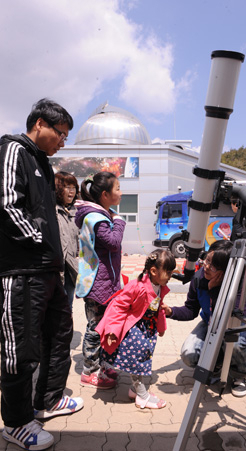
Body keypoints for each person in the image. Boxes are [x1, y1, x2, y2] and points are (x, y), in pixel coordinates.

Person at [0, 98, 84, 450]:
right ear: (38, 124)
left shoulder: (43, 165)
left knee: (59, 336)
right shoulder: (13, 151)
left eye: (66, 135)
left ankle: (47, 400)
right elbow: (5, 203)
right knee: (21, 349)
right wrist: (38, 240)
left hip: (49, 272)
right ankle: (17, 423)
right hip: (22, 271)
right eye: (60, 133)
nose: (63, 141)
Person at [161, 240, 246, 398]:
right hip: (211, 322)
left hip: (240, 324)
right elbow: (191, 309)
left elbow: (232, 315)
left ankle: (241, 374)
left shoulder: (244, 281)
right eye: (206, 260)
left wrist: (214, 290)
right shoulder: (199, 277)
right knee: (189, 354)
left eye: (213, 266)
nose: (206, 267)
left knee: (234, 343)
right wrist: (170, 311)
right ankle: (218, 363)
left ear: (227, 269)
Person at [96, 249, 176, 409]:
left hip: (147, 330)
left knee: (143, 360)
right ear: (153, 271)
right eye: (168, 272)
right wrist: (112, 330)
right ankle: (142, 396)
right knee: (138, 363)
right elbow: (118, 306)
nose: (170, 276)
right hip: (134, 331)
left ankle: (135, 389)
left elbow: (158, 307)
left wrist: (161, 327)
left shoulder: (159, 285)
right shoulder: (137, 286)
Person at [75, 171, 126, 390]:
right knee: (96, 329)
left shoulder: (103, 214)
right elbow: (113, 242)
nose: (121, 192)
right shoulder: (96, 218)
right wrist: (120, 221)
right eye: (117, 189)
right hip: (97, 285)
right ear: (105, 194)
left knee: (107, 327)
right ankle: (89, 371)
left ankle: (105, 366)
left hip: (107, 283)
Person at [55, 171, 79, 310]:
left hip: (71, 268)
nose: (72, 191)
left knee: (67, 305)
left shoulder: (77, 212)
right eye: (67, 187)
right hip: (55, 267)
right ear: (58, 189)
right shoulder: (51, 210)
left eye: (74, 187)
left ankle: (64, 331)